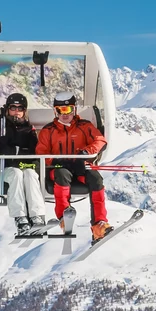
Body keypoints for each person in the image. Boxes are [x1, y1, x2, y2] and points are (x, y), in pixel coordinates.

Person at [36, 91, 113, 242]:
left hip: (80, 168)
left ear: (74, 110)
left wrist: (86, 153)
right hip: (58, 169)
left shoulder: (85, 126)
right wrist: (57, 161)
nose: (65, 114)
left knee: (96, 178)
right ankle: (64, 216)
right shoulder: (48, 130)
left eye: (68, 110)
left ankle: (99, 224)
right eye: (60, 110)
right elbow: (41, 153)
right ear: (55, 111)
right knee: (62, 175)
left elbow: (100, 141)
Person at [0, 92, 48, 234]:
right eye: (13, 108)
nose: (16, 112)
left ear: (24, 111)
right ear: (7, 109)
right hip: (4, 169)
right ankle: (20, 217)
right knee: (16, 174)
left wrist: (15, 151)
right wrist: (18, 151)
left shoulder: (29, 129)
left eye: (20, 108)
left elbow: (34, 151)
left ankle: (37, 216)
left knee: (30, 174)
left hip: (24, 167)